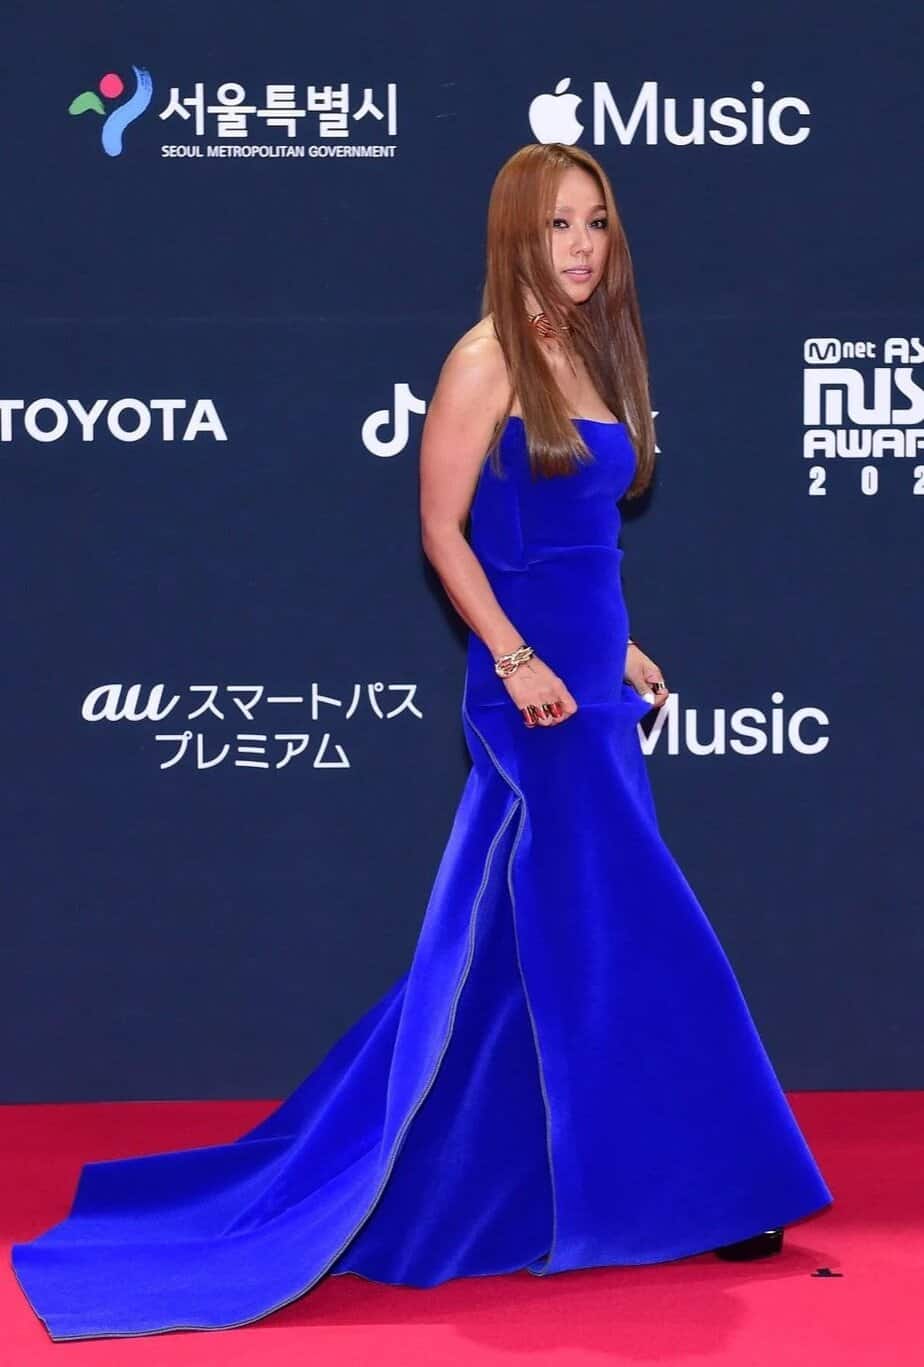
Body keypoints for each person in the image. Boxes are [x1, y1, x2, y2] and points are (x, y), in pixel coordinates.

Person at [11, 143, 833, 1342]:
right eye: (557, 225)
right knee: (631, 928)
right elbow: (446, 530)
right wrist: (516, 656)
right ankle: (715, 1184)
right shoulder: (486, 356)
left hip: (587, 682)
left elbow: (572, 539)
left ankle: (557, 1183)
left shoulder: (591, 347)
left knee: (533, 952)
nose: (582, 246)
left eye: (596, 222)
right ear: (515, 235)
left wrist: (617, 647)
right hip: (530, 700)